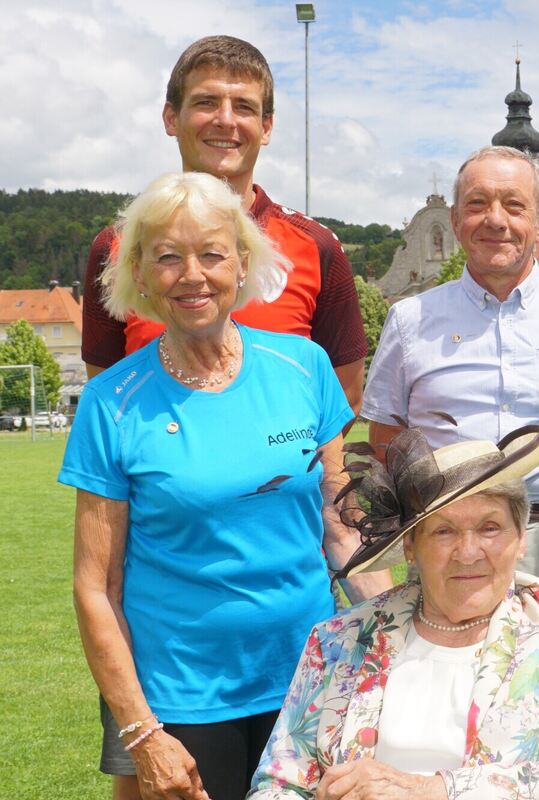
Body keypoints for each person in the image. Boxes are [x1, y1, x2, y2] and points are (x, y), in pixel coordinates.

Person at [61, 172, 391, 800]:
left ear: (242, 263)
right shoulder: (112, 402)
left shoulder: (304, 367)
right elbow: (96, 587)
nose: (192, 275)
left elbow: (341, 527)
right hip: (183, 699)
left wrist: (396, 634)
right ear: (140, 274)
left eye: (211, 254)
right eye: (168, 257)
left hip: (312, 681)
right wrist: (142, 733)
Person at [247, 425, 539, 800]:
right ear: (410, 546)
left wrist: (428, 790)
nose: (468, 552)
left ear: (520, 539)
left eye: (490, 528)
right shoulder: (340, 639)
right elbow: (276, 786)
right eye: (444, 531)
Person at [361, 146, 539, 597]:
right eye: (477, 204)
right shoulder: (409, 321)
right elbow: (385, 443)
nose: (496, 220)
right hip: (450, 544)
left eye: (514, 205)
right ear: (456, 220)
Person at [81, 35, 367, 413]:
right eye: (206, 102)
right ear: (171, 118)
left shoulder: (317, 247)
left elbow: (344, 398)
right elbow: (107, 398)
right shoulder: (118, 247)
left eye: (244, 106)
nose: (226, 120)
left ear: (266, 127)